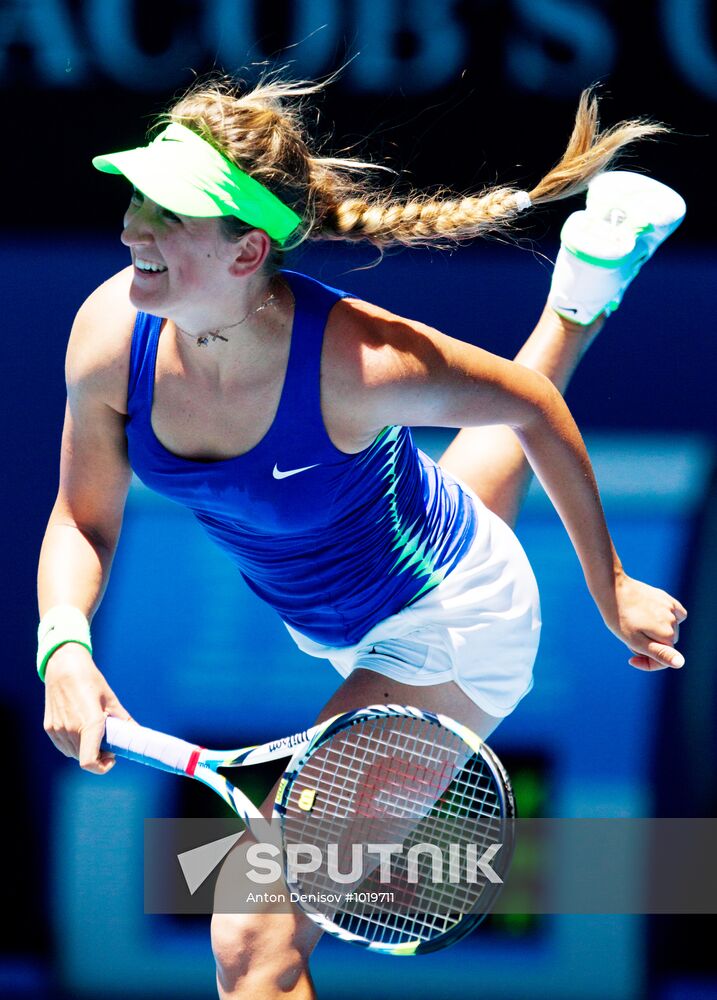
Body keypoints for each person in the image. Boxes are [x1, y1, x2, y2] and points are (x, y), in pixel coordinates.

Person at [38, 75, 687, 999]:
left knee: (253, 939)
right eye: (137, 200)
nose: (130, 230)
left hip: (451, 630)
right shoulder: (111, 335)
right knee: (451, 498)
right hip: (401, 557)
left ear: (245, 251)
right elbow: (81, 520)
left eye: (168, 214)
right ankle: (580, 289)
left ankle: (578, 300)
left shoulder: (358, 361)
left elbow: (528, 406)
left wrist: (611, 589)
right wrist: (64, 641)